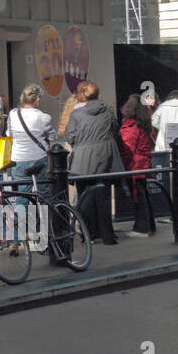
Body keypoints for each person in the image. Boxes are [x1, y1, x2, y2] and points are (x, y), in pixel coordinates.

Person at [64, 80, 122, 246]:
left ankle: (89, 234)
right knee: (103, 197)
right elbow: (115, 130)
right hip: (106, 158)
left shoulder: (76, 115)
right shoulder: (108, 111)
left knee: (85, 197)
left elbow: (70, 137)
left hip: (82, 160)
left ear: (81, 96)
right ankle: (108, 236)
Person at [117, 94, 155, 237]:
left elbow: (127, 150)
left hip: (135, 166)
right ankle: (149, 226)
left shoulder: (131, 126)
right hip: (142, 164)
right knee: (143, 195)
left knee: (138, 196)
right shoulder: (142, 124)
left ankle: (142, 228)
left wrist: (122, 166)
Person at [7, 84, 53, 200]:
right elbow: (53, 137)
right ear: (38, 99)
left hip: (19, 159)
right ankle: (44, 217)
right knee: (43, 193)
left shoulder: (13, 114)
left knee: (22, 196)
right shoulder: (43, 117)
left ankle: (23, 218)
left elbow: (9, 134)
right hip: (39, 158)